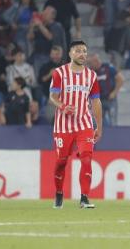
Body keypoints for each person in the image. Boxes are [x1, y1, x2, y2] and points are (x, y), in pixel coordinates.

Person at [48, 40, 103, 209]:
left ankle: (84, 198)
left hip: (84, 124)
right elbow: (52, 97)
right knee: (61, 163)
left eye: (84, 51)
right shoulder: (59, 73)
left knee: (86, 159)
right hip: (63, 126)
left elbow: (96, 102)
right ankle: (58, 193)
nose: (82, 54)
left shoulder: (91, 76)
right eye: (78, 50)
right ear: (70, 53)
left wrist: (99, 126)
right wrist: (63, 106)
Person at [88, 53, 123, 126]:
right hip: (98, 101)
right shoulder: (90, 72)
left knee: (113, 121)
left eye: (90, 63)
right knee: (97, 123)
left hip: (110, 99)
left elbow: (120, 79)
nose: (90, 65)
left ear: (96, 61)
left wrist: (114, 92)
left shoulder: (108, 67)